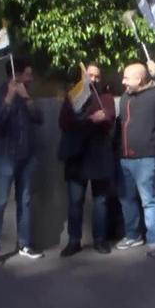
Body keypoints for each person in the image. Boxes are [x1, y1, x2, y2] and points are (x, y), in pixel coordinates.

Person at [0, 57, 44, 266]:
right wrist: (9, 96)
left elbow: (39, 118)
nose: (31, 77)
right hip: (5, 156)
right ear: (16, 75)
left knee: (24, 200)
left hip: (27, 155)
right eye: (28, 73)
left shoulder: (27, 95)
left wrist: (26, 98)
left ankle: (25, 243)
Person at [115, 60, 155, 257]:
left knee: (149, 201)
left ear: (139, 79)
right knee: (127, 199)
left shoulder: (154, 95)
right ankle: (133, 235)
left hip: (147, 159)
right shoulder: (125, 97)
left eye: (127, 77)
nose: (123, 81)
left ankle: (153, 241)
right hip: (125, 159)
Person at [58, 64, 115, 258]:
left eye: (97, 76)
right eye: (89, 75)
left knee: (101, 201)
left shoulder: (105, 97)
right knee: (75, 201)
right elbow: (64, 122)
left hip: (99, 156)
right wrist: (89, 121)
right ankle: (74, 241)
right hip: (77, 156)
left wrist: (87, 122)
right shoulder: (73, 96)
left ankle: (100, 240)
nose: (93, 79)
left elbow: (108, 120)